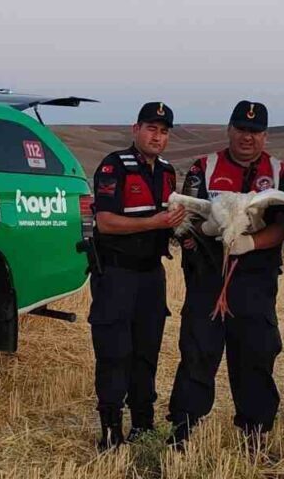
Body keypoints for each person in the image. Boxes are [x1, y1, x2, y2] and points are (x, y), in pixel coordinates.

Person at [167, 100, 284, 445]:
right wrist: (199, 238)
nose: (248, 137)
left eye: (255, 132)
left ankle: (255, 434)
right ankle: (183, 429)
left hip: (256, 280)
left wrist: (252, 243)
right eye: (242, 129)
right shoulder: (204, 167)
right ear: (229, 129)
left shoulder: (280, 173)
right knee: (198, 351)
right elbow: (187, 218)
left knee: (256, 354)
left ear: (265, 136)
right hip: (207, 278)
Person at [88, 101, 186, 451]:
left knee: (147, 351)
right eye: (151, 129)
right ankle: (110, 429)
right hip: (116, 273)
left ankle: (142, 423)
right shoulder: (114, 166)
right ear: (136, 129)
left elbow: (171, 220)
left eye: (163, 131)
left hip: (151, 276)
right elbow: (105, 222)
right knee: (114, 352)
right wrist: (153, 223)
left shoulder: (168, 172)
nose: (157, 136)